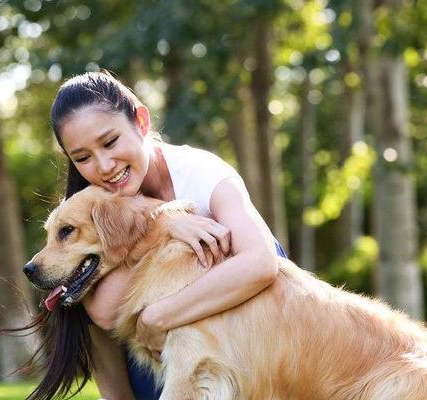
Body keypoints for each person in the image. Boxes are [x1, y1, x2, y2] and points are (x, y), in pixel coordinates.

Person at [42, 71, 285, 399]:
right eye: (82, 157)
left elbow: (262, 261)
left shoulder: (202, 174)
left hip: (253, 331)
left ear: (141, 120)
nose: (104, 166)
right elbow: (105, 311)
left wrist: (158, 316)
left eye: (111, 141)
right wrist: (165, 222)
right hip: (156, 359)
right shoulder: (94, 208)